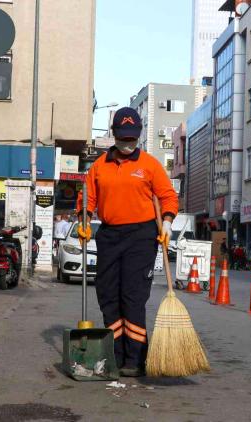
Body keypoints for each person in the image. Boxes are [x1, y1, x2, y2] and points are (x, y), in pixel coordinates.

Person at [76, 107, 178, 377]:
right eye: (122, 139)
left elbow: (167, 197)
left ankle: (135, 358)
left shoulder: (149, 164)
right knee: (108, 295)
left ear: (138, 136)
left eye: (132, 139)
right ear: (114, 135)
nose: (127, 144)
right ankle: (114, 353)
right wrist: (84, 221)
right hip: (109, 235)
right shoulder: (99, 166)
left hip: (141, 236)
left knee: (132, 297)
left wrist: (166, 223)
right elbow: (87, 198)